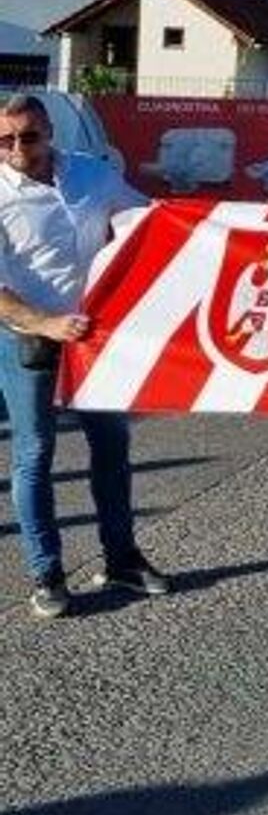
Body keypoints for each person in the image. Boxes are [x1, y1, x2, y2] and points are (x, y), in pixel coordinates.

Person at [0, 94, 169, 618]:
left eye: (27, 136)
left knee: (112, 446)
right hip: (27, 338)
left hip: (96, 340)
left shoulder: (93, 174)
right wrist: (45, 322)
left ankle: (120, 558)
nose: (17, 149)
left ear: (49, 131)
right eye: (5, 140)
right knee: (34, 456)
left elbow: (149, 221)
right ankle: (47, 574)